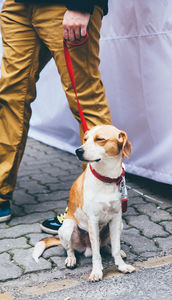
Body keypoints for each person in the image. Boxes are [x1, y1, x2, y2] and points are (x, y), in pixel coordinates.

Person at [0, 0, 112, 226]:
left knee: (85, 99)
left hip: (64, 5)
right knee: (10, 98)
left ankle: (97, 209)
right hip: (18, 5)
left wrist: (82, 4)